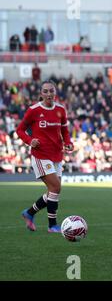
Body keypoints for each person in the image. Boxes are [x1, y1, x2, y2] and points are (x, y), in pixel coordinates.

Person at [16, 81, 74, 233]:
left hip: (57, 155)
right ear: (41, 94)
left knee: (53, 191)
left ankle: (29, 213)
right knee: (56, 187)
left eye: (51, 91)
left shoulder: (61, 109)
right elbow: (20, 130)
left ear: (55, 93)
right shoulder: (33, 110)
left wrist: (68, 143)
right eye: (46, 91)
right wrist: (30, 140)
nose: (49, 94)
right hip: (41, 155)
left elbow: (65, 131)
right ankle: (52, 226)